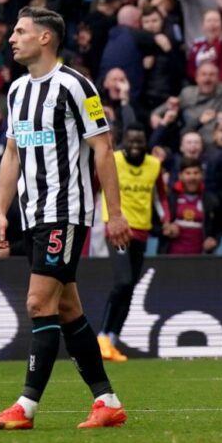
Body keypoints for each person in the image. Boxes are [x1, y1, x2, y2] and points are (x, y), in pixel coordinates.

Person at [0, 7, 132, 431]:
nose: (12, 37)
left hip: (66, 211)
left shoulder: (76, 86)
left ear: (45, 38)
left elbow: (104, 148)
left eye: (20, 30)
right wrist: (0, 211)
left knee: (37, 302)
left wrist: (114, 213)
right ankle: (107, 402)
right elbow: (12, 154)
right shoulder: (15, 92)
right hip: (33, 215)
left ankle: (25, 407)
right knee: (66, 308)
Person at [97, 124, 169, 362]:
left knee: (130, 288)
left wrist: (166, 219)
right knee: (123, 280)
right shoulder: (113, 160)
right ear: (123, 143)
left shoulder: (154, 165)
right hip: (118, 229)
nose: (136, 147)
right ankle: (102, 338)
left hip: (142, 230)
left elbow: (160, 197)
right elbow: (98, 188)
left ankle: (113, 341)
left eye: (140, 142)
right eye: (131, 142)